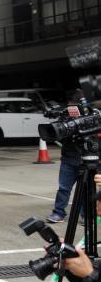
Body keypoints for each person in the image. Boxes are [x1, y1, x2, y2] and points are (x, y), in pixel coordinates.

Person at [46, 90, 85, 224]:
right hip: (68, 158)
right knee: (64, 188)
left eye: (74, 104)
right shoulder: (64, 116)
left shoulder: (91, 116)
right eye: (70, 104)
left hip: (86, 159)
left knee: (85, 190)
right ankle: (58, 213)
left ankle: (86, 216)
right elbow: (58, 133)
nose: (72, 107)